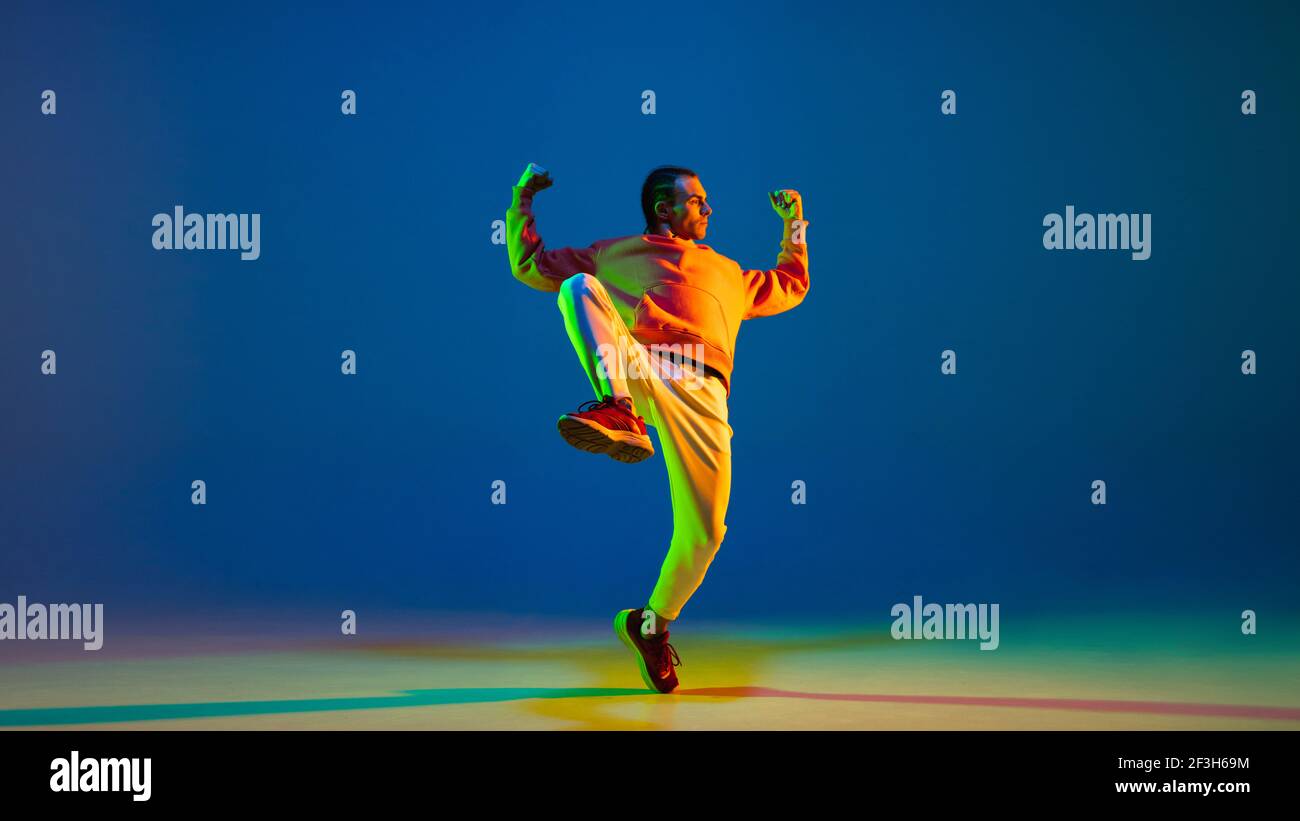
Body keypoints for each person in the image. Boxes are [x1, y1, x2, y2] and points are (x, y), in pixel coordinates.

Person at [505, 163, 810, 693]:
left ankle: (651, 626)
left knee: (706, 533)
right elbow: (529, 265)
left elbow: (791, 284)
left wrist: (795, 226)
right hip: (642, 367)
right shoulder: (614, 253)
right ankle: (617, 407)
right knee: (577, 287)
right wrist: (521, 200)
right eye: (697, 202)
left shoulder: (730, 274)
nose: (708, 210)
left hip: (703, 393)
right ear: (664, 209)